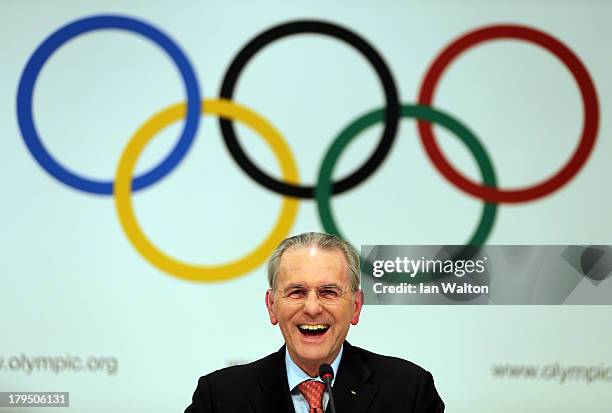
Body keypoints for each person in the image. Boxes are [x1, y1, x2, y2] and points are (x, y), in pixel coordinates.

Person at [185, 232, 444, 412]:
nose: (311, 308)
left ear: (356, 307)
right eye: (296, 292)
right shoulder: (219, 398)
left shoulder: (409, 392)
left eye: (328, 292)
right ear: (271, 306)